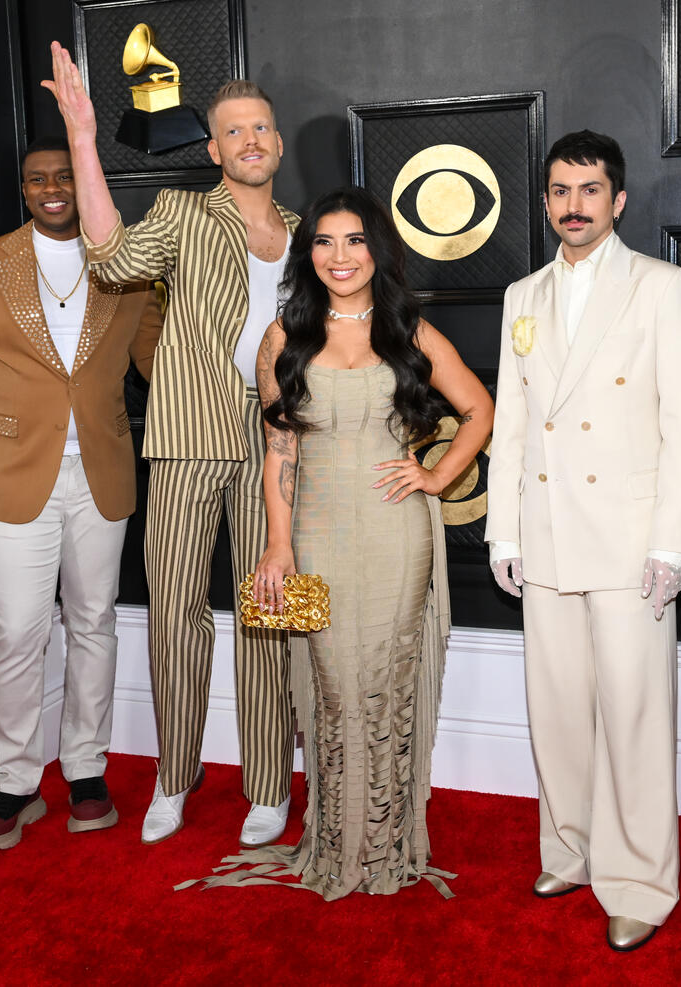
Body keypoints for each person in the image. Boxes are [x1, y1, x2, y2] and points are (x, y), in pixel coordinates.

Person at [202, 186, 492, 899]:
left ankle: (388, 845)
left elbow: (481, 407)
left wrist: (436, 473)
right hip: (316, 530)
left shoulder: (408, 329)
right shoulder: (284, 336)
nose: (340, 255)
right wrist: (277, 545)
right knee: (333, 688)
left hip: (397, 530)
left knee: (387, 682)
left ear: (377, 249)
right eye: (325, 242)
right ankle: (337, 846)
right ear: (309, 254)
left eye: (354, 240)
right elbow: (278, 453)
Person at [44, 48, 299, 848]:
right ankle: (173, 778)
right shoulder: (183, 212)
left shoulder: (310, 235)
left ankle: (269, 784)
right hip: (187, 441)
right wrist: (84, 140)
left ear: (277, 143)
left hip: (278, 448)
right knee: (175, 615)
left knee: (274, 609)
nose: (249, 138)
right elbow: (111, 259)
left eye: (260, 126)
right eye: (233, 131)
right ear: (214, 150)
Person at [484, 131, 681, 951]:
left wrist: (671, 543)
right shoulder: (522, 295)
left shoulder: (665, 286)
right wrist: (501, 527)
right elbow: (512, 421)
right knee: (558, 711)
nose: (573, 205)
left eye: (589, 190)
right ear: (545, 202)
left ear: (618, 201)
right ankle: (570, 849)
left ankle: (642, 879)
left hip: (627, 541)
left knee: (634, 716)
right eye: (559, 190)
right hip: (543, 536)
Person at [0, 136, 161, 849]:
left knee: (94, 621)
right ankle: (14, 783)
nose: (51, 188)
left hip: (101, 471)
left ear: (83, 181)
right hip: (12, 477)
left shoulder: (124, 267)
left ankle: (87, 771)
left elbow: (160, 365)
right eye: (37, 179)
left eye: (64, 176)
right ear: (24, 189)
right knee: (16, 633)